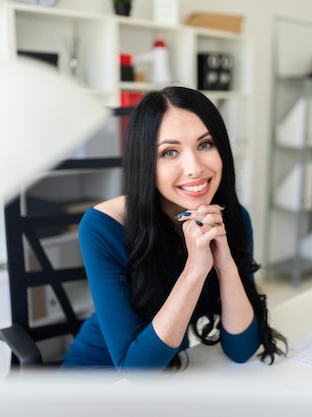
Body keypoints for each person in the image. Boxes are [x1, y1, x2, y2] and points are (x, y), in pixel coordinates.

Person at [61, 86, 286, 374]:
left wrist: (225, 265)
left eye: (205, 144)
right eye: (169, 152)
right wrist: (195, 269)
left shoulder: (230, 219)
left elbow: (241, 350)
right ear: (145, 162)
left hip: (168, 379)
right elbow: (135, 371)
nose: (194, 168)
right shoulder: (103, 227)